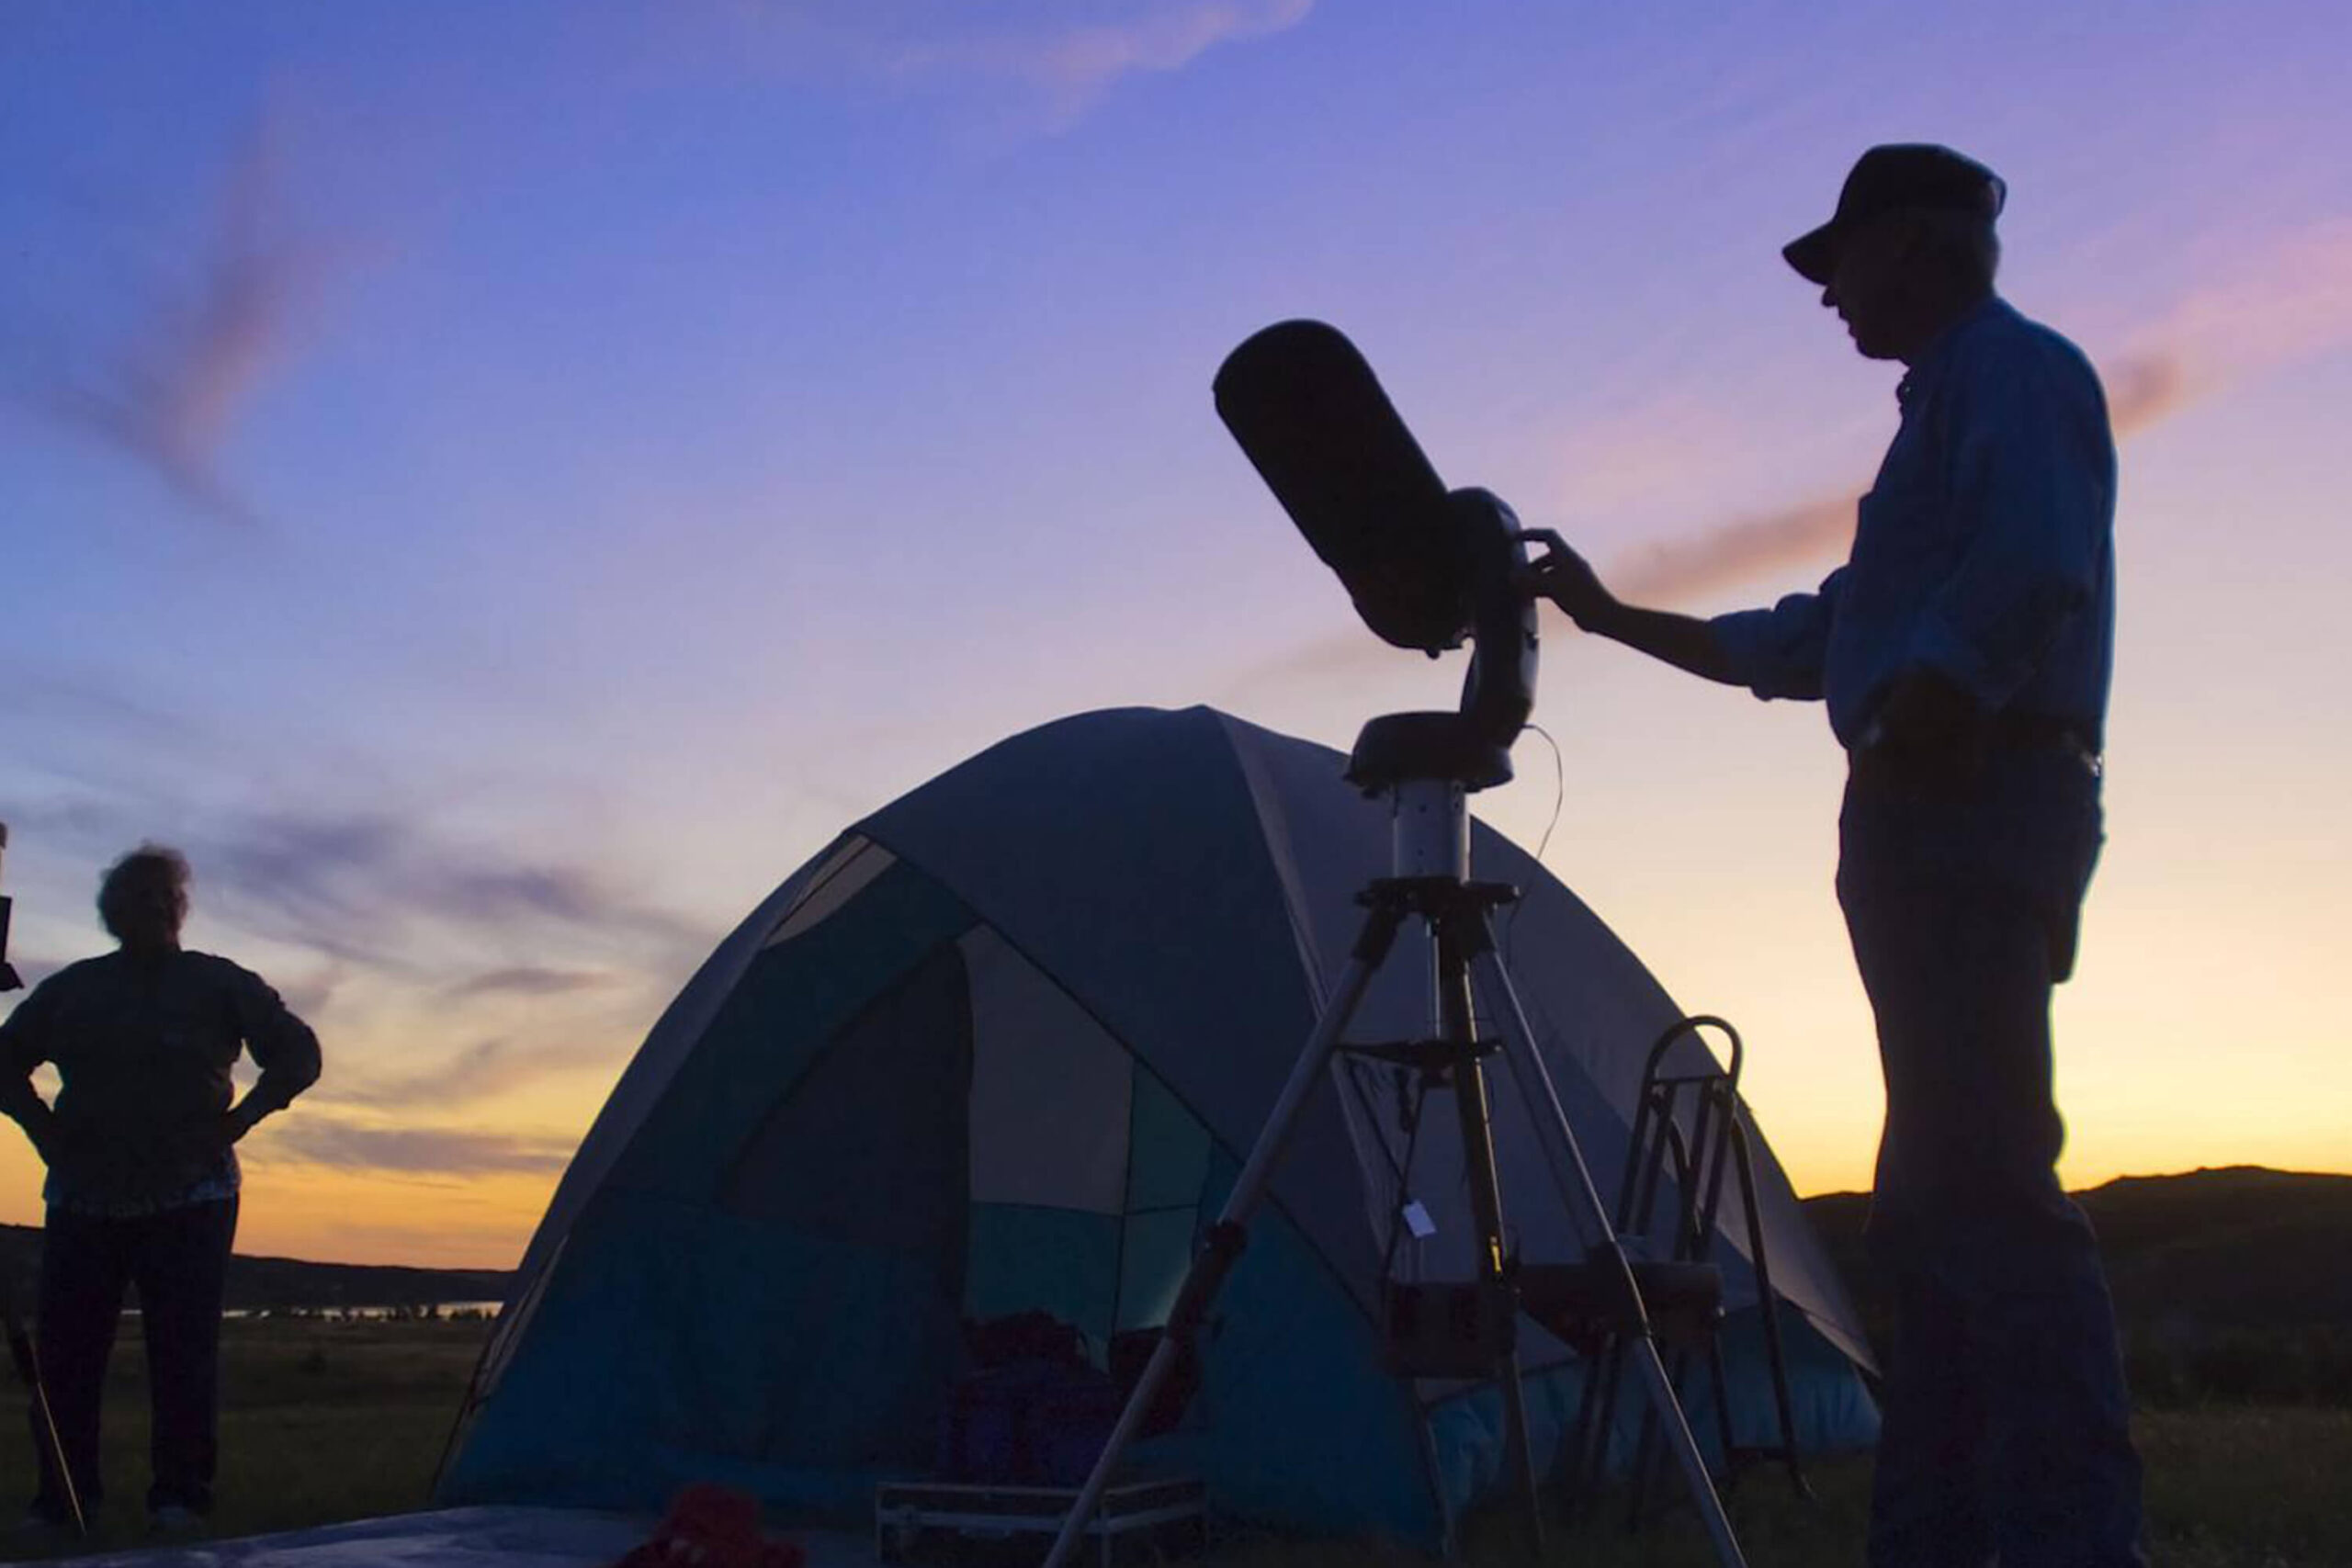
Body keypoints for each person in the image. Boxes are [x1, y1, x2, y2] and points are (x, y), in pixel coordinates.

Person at [1526, 145, 2144, 1566]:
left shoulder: (2013, 375)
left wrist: (1922, 716)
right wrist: (1612, 616)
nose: (1829, 300)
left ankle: (2070, 1534)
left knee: (1985, 1183)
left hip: (1968, 805)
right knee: (1933, 1201)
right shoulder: (1941, 423)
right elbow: (1804, 640)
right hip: (1941, 808)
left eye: (1840, 265)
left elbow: (2032, 564)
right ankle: (1942, 1530)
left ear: (1915, 245)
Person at [0, 844, 322, 1536]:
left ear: (177, 909)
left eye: (159, 898)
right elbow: (3, 1062)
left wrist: (240, 1120)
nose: (146, 910)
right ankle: (62, 1499)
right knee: (66, 1354)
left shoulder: (219, 984)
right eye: (131, 900)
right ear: (111, 914)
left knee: (183, 1351)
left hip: (192, 1198)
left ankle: (180, 1495)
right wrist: (42, 1131)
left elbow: (299, 1053)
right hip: (85, 1197)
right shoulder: (72, 991)